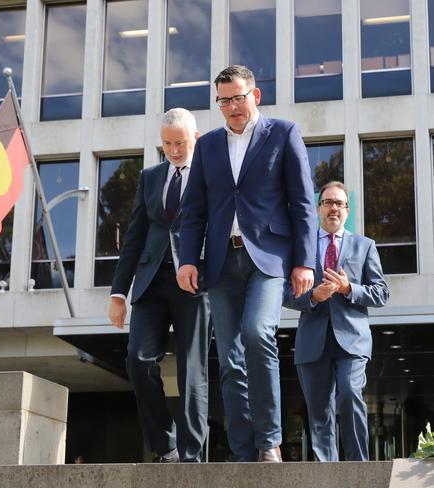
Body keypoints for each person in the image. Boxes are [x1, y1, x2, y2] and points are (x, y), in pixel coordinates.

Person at [176, 65, 318, 462]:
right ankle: (242, 450)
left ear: (255, 96)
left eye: (238, 97)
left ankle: (269, 440)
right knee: (231, 358)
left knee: (258, 334)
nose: (232, 106)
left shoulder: (284, 133)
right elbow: (194, 210)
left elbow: (303, 201)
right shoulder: (207, 147)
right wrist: (189, 260)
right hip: (221, 263)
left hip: (268, 259)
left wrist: (304, 261)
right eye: (224, 100)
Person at [108, 108, 211, 463]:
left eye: (180, 143)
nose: (174, 151)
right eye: (167, 144)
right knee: (137, 360)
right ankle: (165, 445)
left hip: (194, 284)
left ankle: (192, 454)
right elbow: (134, 237)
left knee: (191, 370)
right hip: (150, 284)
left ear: (194, 138)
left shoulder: (211, 174)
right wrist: (119, 293)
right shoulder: (150, 177)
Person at [284, 181, 389, 461]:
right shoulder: (300, 248)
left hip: (351, 340)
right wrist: (313, 296)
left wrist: (348, 288)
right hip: (312, 341)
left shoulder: (365, 246)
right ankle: (325, 472)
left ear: (347, 210)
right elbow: (284, 293)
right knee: (319, 411)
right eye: (328, 202)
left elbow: (381, 293)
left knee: (350, 394)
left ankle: (359, 468)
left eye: (339, 203)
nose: (333, 208)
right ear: (319, 208)